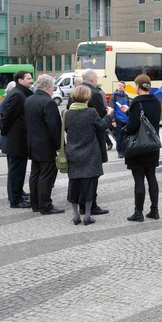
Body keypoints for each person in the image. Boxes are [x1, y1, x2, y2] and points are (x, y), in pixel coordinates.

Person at [65, 85, 114, 225]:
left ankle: (75, 215)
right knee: (89, 183)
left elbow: (67, 130)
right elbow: (101, 126)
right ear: (87, 98)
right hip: (90, 152)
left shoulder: (67, 113)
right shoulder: (91, 112)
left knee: (74, 183)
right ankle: (87, 215)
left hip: (73, 152)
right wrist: (109, 115)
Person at [123, 74, 162, 222]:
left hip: (138, 147)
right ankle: (154, 210)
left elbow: (133, 127)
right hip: (152, 145)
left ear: (138, 86)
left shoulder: (136, 102)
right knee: (152, 177)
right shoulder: (156, 101)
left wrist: (125, 131)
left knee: (139, 179)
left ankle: (138, 212)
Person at [24, 74, 64, 214]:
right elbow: (55, 127)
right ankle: (45, 205)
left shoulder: (29, 100)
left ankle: (35, 204)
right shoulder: (48, 102)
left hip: (32, 144)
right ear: (48, 87)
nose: (53, 90)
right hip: (46, 146)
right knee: (46, 176)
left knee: (35, 174)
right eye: (53, 87)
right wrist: (60, 146)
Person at [0, 70, 33, 208]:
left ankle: (18, 193)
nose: (31, 80)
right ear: (20, 80)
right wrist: (5, 132)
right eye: (28, 78)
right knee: (16, 170)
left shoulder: (21, 93)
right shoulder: (18, 95)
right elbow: (7, 117)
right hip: (15, 140)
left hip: (17, 140)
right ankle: (15, 199)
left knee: (18, 170)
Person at [81, 69, 110, 215]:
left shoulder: (77, 92)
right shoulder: (95, 93)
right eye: (96, 79)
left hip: (79, 140)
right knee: (93, 173)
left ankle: (82, 203)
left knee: (81, 174)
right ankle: (91, 205)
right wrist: (109, 115)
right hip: (94, 140)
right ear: (92, 79)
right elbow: (101, 117)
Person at [109, 81, 131, 158]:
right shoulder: (114, 96)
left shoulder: (126, 96)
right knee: (119, 136)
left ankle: (126, 150)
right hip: (118, 119)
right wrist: (113, 120)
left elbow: (128, 108)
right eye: (119, 85)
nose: (120, 87)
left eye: (122, 86)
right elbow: (111, 108)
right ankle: (120, 151)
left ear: (124, 88)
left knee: (126, 136)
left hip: (126, 119)